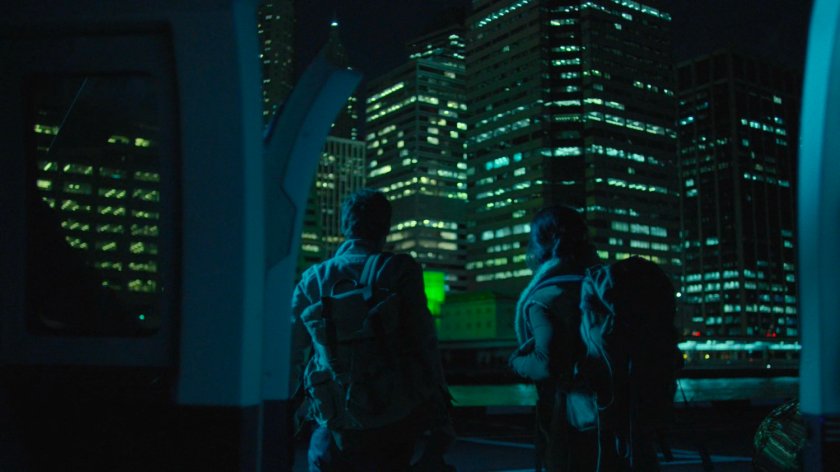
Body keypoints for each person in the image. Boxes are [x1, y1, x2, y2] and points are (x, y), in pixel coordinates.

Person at [291, 188, 454, 472]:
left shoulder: (313, 278)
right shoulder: (400, 270)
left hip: (332, 420)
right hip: (391, 417)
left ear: (345, 226)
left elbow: (290, 348)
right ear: (385, 228)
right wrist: (440, 406)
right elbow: (424, 341)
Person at [508, 205, 619, 471]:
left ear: (539, 245)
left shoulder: (546, 296)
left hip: (572, 420)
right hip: (620, 416)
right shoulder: (607, 288)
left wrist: (516, 361)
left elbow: (545, 364)